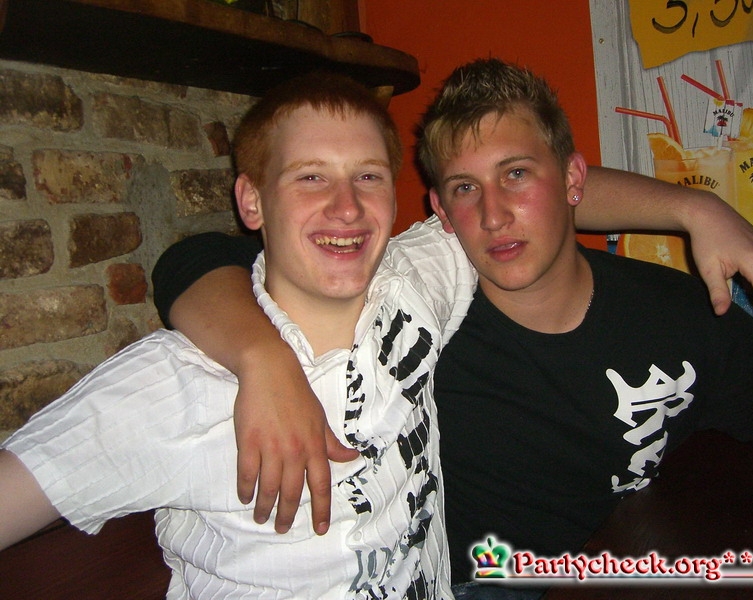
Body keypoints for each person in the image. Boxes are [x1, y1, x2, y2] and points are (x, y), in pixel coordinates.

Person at [152, 60, 753, 597]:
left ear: (573, 179)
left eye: (516, 174)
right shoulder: (413, 306)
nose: (494, 215)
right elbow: (197, 259)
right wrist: (261, 358)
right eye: (465, 188)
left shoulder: (679, 313)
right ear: (440, 209)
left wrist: (696, 207)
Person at [0, 72, 473, 599]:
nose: (347, 207)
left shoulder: (414, 285)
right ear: (252, 202)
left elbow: (508, 213)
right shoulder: (176, 383)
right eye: (310, 177)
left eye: (368, 176)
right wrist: (261, 359)